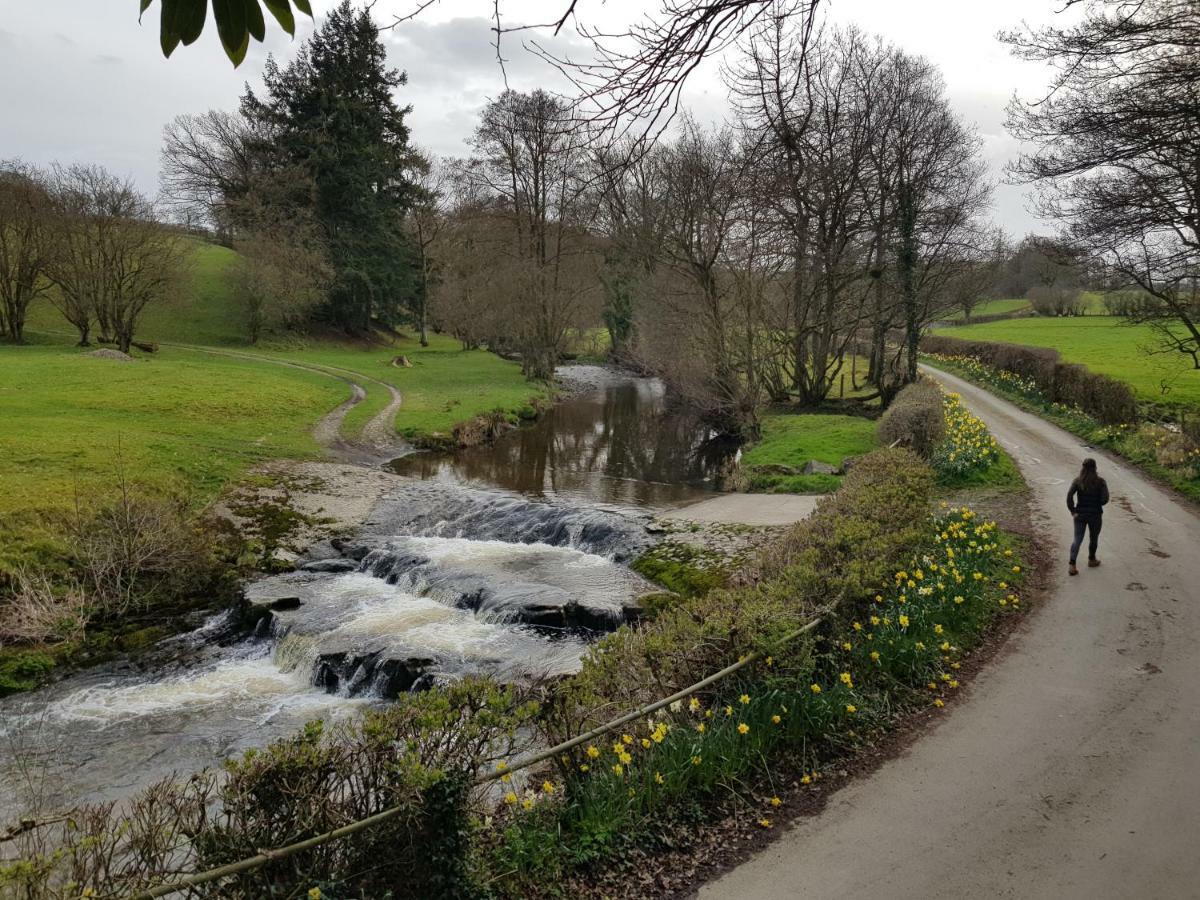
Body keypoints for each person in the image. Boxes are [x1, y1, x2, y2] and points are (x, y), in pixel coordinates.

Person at [1066, 457, 1109, 576]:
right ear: (1095, 467)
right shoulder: (1100, 481)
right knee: (1094, 537)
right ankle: (1091, 559)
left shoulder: (1077, 481)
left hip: (1080, 514)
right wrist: (1096, 503)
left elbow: (1069, 496)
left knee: (1077, 539)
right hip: (1095, 515)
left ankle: (1072, 564)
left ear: (1083, 467)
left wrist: (1073, 510)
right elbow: (1105, 499)